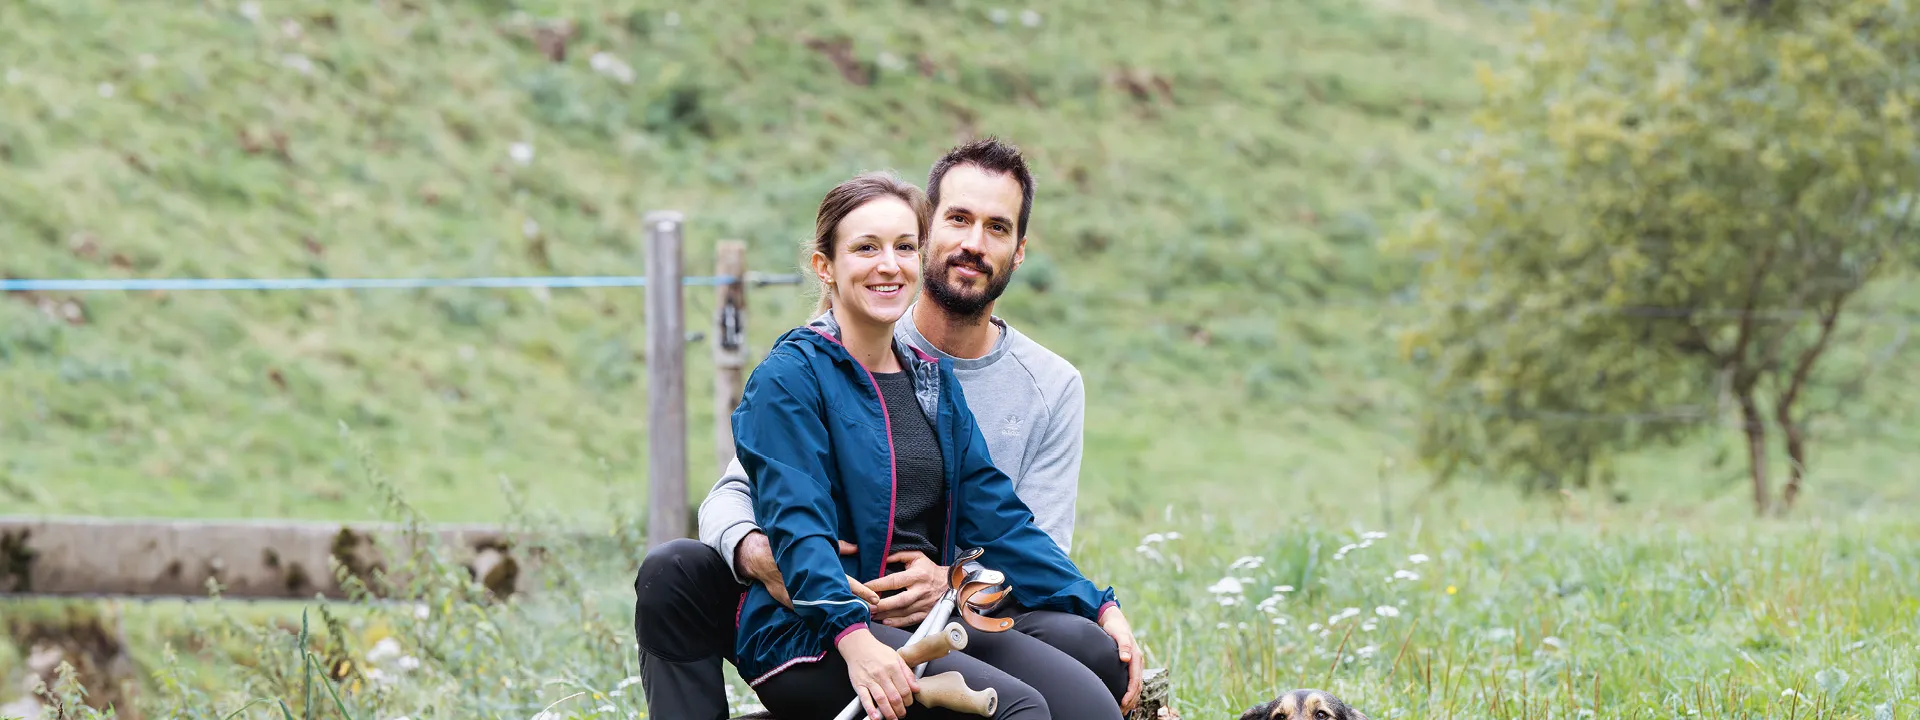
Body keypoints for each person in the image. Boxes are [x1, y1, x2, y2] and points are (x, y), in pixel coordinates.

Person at [633, 138, 1139, 718]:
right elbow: (789, 518)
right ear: (826, 265)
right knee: (1019, 710)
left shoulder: (932, 381)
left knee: (1091, 710)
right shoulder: (792, 375)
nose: (889, 264)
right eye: (867, 248)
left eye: (902, 246)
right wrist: (853, 638)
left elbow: (1003, 521)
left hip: (930, 617)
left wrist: (1100, 605)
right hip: (813, 632)